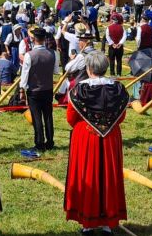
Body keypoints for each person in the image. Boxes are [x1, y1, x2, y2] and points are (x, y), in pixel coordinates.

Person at [64, 51, 129, 235]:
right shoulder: (118, 89)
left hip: (86, 137)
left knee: (88, 176)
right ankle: (108, 222)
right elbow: (121, 116)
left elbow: (71, 118)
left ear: (89, 68)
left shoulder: (79, 89)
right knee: (108, 176)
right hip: (110, 138)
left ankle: (88, 223)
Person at [20, 28, 57, 151]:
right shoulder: (53, 53)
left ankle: (39, 143)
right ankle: (50, 141)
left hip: (34, 90)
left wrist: (22, 89)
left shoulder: (29, 55)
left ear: (33, 39)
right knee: (48, 116)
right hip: (48, 89)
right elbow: (56, 71)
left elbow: (24, 75)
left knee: (36, 117)